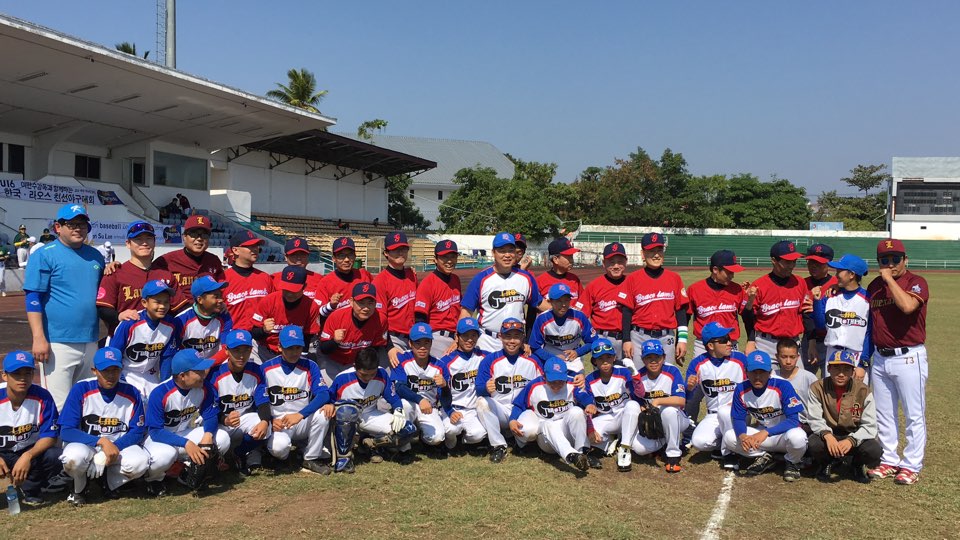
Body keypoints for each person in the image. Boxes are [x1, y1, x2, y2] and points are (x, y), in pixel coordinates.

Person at [24, 203, 105, 409]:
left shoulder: (96, 256)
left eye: (82, 224)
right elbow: (33, 297)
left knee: (87, 402)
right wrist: (38, 338)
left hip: (90, 340)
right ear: (58, 227)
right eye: (72, 224)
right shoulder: (44, 254)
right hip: (57, 343)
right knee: (58, 405)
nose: (78, 228)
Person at [866, 239, 928, 485]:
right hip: (881, 357)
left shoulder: (916, 282)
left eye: (895, 259)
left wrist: (889, 280)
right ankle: (889, 460)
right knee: (884, 414)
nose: (890, 264)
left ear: (905, 259)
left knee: (914, 414)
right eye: (885, 260)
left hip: (909, 356)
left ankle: (911, 465)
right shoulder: (874, 286)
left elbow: (907, 306)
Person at [58, 347, 149, 506]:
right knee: (73, 458)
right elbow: (66, 431)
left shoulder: (132, 392)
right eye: (105, 370)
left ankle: (108, 481)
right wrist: (101, 442)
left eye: (115, 370)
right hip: (87, 444)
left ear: (121, 369)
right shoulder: (81, 388)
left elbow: (137, 431)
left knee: (140, 462)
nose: (111, 375)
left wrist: (113, 448)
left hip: (118, 447)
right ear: (94, 371)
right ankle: (80, 486)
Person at [142, 349, 231, 496]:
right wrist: (186, 443)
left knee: (222, 438)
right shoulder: (160, 393)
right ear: (182, 376)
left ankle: (186, 471)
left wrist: (208, 435)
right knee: (165, 455)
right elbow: (155, 432)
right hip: (157, 440)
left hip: (182, 433)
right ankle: (153, 480)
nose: (204, 374)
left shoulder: (204, 387)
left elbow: (210, 415)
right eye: (198, 371)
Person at [683, 250, 753, 434]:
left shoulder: (737, 289)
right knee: (696, 388)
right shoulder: (695, 289)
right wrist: (681, 341)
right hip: (703, 344)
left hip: (730, 345)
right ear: (715, 270)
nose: (732, 275)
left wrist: (751, 340)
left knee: (734, 387)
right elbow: (686, 316)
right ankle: (689, 429)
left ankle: (738, 427)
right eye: (728, 271)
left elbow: (747, 316)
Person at [326, 348, 417, 471]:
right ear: (355, 366)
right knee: (347, 411)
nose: (368, 378)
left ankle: (372, 444)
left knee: (408, 429)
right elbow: (329, 400)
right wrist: (329, 404)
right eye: (364, 374)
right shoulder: (342, 378)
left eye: (372, 374)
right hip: (346, 419)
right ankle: (344, 458)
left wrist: (398, 409)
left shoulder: (381, 373)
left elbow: (393, 397)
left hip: (370, 415)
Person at [723, 350, 808, 482]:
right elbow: (738, 418)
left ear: (770, 372)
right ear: (746, 372)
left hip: (783, 436)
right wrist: (743, 436)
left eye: (762, 372)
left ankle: (792, 462)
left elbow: (793, 421)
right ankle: (766, 456)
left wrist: (766, 432)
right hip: (761, 436)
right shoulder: (741, 389)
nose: (758, 377)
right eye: (753, 372)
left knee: (798, 437)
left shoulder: (783, 386)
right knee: (729, 437)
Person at [261, 326, 332, 475]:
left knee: (323, 414)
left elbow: (323, 394)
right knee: (279, 448)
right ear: (279, 347)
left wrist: (300, 414)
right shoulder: (266, 368)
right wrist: (269, 420)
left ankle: (311, 458)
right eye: (289, 348)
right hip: (279, 422)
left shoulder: (310, 365)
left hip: (301, 418)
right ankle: (282, 458)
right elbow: (258, 400)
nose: (294, 352)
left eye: (298, 348)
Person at [508, 356, 597, 472]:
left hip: (566, 430)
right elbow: (519, 404)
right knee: (547, 424)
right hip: (546, 438)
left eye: (560, 381)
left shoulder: (572, 382)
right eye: (552, 381)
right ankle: (572, 456)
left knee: (577, 412)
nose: (556, 385)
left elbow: (583, 396)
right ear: (544, 376)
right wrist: (512, 419)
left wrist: (589, 404)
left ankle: (581, 452)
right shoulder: (534, 385)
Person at [474, 318, 544, 463]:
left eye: (516, 336)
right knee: (482, 402)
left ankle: (519, 442)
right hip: (500, 409)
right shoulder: (490, 360)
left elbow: (544, 386)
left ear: (523, 338)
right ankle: (498, 445)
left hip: (523, 410)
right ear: (500, 336)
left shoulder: (533, 360)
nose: (512, 341)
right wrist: (485, 388)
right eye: (507, 336)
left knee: (531, 431)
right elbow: (479, 389)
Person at [461, 232, 544, 353]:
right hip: (488, 341)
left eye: (511, 250)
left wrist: (567, 310)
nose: (507, 255)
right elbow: (466, 312)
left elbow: (539, 303)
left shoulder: (526, 278)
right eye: (502, 251)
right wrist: (458, 339)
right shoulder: (481, 279)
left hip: (515, 341)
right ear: (493, 253)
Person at [97, 221, 182, 336]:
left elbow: (179, 308)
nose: (144, 243)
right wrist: (119, 316)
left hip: (160, 339)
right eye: (138, 239)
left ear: (154, 242)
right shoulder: (115, 273)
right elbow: (103, 309)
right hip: (125, 339)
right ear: (128, 243)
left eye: (149, 238)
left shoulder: (166, 275)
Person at [807, 350, 881, 483]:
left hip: (853, 434)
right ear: (828, 369)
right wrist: (827, 435)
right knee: (814, 443)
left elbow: (870, 425)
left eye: (846, 369)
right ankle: (826, 463)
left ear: (853, 372)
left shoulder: (863, 391)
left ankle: (856, 465)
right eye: (836, 368)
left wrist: (851, 440)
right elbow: (814, 418)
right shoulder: (817, 388)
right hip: (829, 434)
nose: (841, 374)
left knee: (873, 450)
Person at [0, 351, 63, 506]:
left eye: (27, 373)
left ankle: (33, 489)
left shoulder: (42, 396)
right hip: (2, 453)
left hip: (28, 451)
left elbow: (50, 435)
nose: (22, 378)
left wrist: (28, 456)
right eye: (17, 374)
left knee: (55, 456)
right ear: (5, 376)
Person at [205, 330, 271, 475]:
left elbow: (263, 401)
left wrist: (265, 421)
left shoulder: (256, 370)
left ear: (251, 350)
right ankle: (217, 460)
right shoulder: (215, 374)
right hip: (218, 423)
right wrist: (224, 419)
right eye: (236, 350)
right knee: (220, 441)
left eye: (245, 350)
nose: (241, 355)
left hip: (242, 421)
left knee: (265, 424)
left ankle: (238, 453)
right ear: (226, 351)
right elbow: (208, 408)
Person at [620, 233, 689, 367]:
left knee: (666, 376)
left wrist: (682, 340)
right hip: (639, 337)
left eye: (659, 250)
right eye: (651, 251)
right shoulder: (632, 279)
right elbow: (626, 312)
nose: (656, 255)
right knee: (638, 376)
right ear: (643, 254)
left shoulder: (674, 278)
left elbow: (681, 311)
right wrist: (626, 340)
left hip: (666, 337)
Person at [744, 240, 813, 373]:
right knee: (767, 382)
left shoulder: (800, 283)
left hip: (792, 343)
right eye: (787, 262)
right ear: (774, 261)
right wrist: (751, 341)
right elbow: (749, 317)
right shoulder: (759, 285)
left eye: (794, 261)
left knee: (797, 382)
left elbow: (806, 314)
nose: (791, 265)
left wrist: (811, 342)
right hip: (766, 344)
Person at [686, 322, 747, 470]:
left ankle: (730, 453)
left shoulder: (740, 359)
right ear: (710, 345)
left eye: (729, 338)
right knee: (699, 442)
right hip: (713, 415)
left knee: (726, 411)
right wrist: (690, 387)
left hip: (739, 414)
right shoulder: (697, 364)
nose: (729, 343)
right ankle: (726, 443)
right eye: (724, 340)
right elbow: (687, 397)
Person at [109, 280, 181, 397]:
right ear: (144, 302)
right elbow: (114, 353)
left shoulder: (171, 325)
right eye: (157, 302)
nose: (162, 306)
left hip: (150, 374)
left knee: (158, 399)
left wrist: (165, 385)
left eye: (166, 302)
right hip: (127, 372)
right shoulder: (130, 323)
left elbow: (167, 358)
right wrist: (120, 380)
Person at [584, 338, 642, 472]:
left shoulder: (624, 372)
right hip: (607, 417)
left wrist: (635, 374)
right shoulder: (590, 379)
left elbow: (640, 393)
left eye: (608, 357)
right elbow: (588, 407)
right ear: (594, 361)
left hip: (626, 415)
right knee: (589, 437)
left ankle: (624, 448)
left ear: (614, 358)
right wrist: (590, 429)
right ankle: (612, 442)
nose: (605, 362)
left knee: (633, 405)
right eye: (600, 358)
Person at [391, 323, 453, 449]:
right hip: (410, 403)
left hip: (429, 407)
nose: (422, 347)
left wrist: (445, 387)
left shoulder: (440, 365)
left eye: (426, 342)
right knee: (405, 405)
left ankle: (420, 436)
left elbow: (446, 401)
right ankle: (404, 447)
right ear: (410, 343)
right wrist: (420, 400)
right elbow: (399, 388)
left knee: (437, 437)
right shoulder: (401, 359)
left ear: (431, 343)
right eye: (418, 343)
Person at [631, 340, 690, 473]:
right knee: (639, 449)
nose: (653, 361)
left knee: (669, 411)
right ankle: (663, 444)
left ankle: (673, 455)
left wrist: (657, 401)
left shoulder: (672, 371)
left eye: (657, 357)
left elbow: (681, 400)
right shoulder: (639, 376)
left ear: (663, 357)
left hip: (677, 418)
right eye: (649, 357)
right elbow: (637, 401)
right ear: (643, 359)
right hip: (654, 423)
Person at [812, 254, 871, 381]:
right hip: (832, 353)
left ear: (851, 275)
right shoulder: (830, 296)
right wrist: (817, 302)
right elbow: (820, 326)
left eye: (840, 271)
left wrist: (863, 363)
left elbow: (870, 334)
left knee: (856, 393)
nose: (836, 274)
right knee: (831, 393)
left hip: (856, 355)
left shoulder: (867, 299)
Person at [317, 282, 389, 384]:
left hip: (358, 363)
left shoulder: (380, 319)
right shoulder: (336, 316)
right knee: (330, 389)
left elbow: (375, 349)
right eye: (361, 303)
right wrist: (334, 341)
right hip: (333, 360)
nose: (366, 308)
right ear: (351, 301)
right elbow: (323, 349)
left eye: (370, 303)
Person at [437, 318, 491, 451]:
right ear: (457, 337)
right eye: (465, 335)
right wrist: (449, 411)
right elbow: (440, 391)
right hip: (452, 406)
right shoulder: (446, 361)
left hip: (472, 410)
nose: (470, 339)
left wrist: (523, 348)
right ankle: (451, 440)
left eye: (474, 335)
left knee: (478, 435)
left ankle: (463, 439)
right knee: (451, 430)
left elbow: (504, 355)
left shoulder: (484, 357)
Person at [154, 214, 225, 309]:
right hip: (177, 314)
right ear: (184, 237)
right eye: (194, 234)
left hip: (208, 312)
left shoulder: (214, 260)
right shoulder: (165, 261)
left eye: (204, 235)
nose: (199, 239)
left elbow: (221, 288)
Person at [251, 266, 320, 360]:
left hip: (294, 354)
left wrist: (301, 359)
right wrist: (263, 330)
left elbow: (308, 336)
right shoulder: (268, 301)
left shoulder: (311, 306)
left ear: (304, 286)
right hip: (265, 351)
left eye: (294, 290)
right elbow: (254, 333)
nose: (289, 294)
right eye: (286, 289)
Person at [529, 283, 596, 379]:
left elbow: (592, 341)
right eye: (559, 301)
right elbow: (534, 347)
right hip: (549, 357)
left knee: (578, 386)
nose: (564, 304)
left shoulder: (579, 316)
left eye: (566, 300)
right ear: (550, 301)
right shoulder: (542, 319)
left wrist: (578, 352)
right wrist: (552, 357)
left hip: (574, 359)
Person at [579, 242, 631, 364]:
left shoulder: (632, 283)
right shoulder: (594, 286)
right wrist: (591, 338)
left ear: (626, 262)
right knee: (603, 374)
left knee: (627, 373)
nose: (616, 266)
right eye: (611, 262)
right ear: (603, 263)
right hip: (603, 337)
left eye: (620, 262)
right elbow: (581, 315)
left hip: (628, 339)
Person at [414, 240, 463, 358]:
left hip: (457, 337)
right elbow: (420, 318)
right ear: (435, 259)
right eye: (444, 257)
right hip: (437, 338)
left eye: (453, 257)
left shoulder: (456, 280)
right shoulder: (428, 283)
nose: (449, 261)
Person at [373, 232, 418, 352]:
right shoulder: (380, 281)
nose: (400, 252)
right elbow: (379, 319)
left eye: (403, 249)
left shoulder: (411, 275)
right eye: (395, 249)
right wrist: (389, 346)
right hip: (394, 339)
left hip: (414, 337)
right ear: (386, 253)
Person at [222, 231, 272, 335]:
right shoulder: (223, 279)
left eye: (256, 245)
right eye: (250, 246)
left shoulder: (265, 278)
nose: (255, 249)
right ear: (235, 250)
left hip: (260, 338)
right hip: (232, 338)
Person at [175, 276, 233, 360]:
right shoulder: (181, 320)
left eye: (221, 295)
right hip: (189, 366)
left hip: (215, 364)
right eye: (216, 296)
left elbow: (227, 349)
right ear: (200, 300)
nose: (221, 300)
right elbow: (174, 353)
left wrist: (207, 365)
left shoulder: (224, 316)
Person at [315, 237, 373, 317]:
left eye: (350, 255)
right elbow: (318, 313)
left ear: (355, 256)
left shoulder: (364, 275)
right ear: (334, 258)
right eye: (341, 256)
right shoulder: (325, 282)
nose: (346, 259)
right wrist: (331, 306)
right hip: (337, 324)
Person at [802, 244, 836, 373]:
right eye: (811, 262)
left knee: (830, 381)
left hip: (831, 340)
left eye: (819, 263)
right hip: (808, 339)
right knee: (805, 380)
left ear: (828, 263)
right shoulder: (802, 283)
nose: (813, 266)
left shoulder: (836, 284)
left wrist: (819, 308)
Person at [774, 338, 817, 430]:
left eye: (792, 357)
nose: (788, 361)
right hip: (777, 424)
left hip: (803, 424)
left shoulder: (809, 377)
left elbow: (818, 405)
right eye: (784, 357)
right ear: (777, 357)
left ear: (798, 357)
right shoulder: (772, 377)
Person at [537, 237, 585, 311]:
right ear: (555, 259)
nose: (571, 260)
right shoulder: (540, 281)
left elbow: (582, 301)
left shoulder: (574, 279)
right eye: (568, 257)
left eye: (572, 256)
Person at [271, 237, 323, 303]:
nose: (299, 258)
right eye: (294, 255)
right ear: (286, 257)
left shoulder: (320, 280)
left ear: (308, 256)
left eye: (302, 255)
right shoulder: (273, 279)